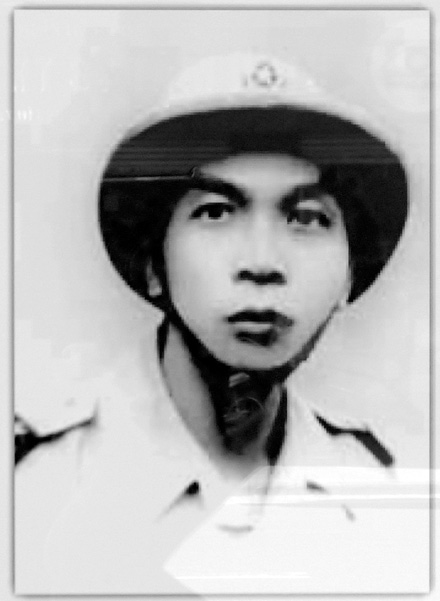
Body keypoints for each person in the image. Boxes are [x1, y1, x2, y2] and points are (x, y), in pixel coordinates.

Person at [15, 53, 425, 595]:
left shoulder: (388, 500)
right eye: (215, 212)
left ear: (349, 276)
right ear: (152, 264)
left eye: (307, 218)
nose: (262, 262)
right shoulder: (31, 490)